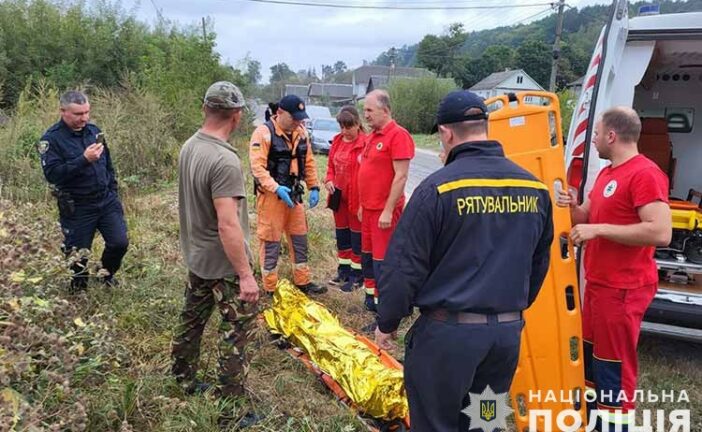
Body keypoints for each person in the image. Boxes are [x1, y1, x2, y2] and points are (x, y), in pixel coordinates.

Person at [374, 90, 554, 432]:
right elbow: (538, 264)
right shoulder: (534, 188)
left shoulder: (437, 189)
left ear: (446, 133)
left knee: (435, 423)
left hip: (448, 341)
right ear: (485, 127)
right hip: (504, 341)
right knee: (484, 424)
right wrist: (509, 312)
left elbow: (403, 268)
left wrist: (388, 322)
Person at [556, 106, 671, 431]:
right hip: (599, 287)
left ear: (611, 135)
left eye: (595, 134)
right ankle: (595, 424)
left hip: (624, 290)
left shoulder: (644, 173)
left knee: (613, 367)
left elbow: (661, 232)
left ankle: (614, 426)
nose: (592, 140)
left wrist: (600, 230)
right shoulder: (607, 174)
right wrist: (572, 206)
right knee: (593, 365)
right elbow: (584, 218)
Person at [171, 82, 260, 420]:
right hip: (224, 263)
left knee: (191, 319)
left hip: (197, 255)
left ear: (204, 108)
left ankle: (181, 376)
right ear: (236, 116)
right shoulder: (223, 161)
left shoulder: (189, 146)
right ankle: (231, 408)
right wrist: (246, 275)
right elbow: (227, 224)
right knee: (236, 333)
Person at [39, 90, 129, 291]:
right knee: (78, 254)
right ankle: (78, 289)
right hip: (77, 205)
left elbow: (108, 165)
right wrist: (83, 160)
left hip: (106, 200)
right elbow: (53, 174)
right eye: (78, 114)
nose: (84, 118)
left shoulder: (94, 131)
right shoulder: (51, 139)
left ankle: (106, 275)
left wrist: (113, 191)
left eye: (87, 112)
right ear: (63, 112)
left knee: (119, 243)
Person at [249, 95, 326, 294]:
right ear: (280, 113)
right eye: (295, 118)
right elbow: (257, 168)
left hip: (294, 195)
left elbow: (308, 162)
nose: (299, 122)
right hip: (271, 198)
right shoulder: (263, 133)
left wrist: (314, 187)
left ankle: (303, 282)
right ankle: (270, 288)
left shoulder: (301, 134)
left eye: (301, 119)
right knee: (271, 241)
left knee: (300, 239)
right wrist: (275, 187)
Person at [358, 90, 414, 313]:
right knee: (368, 259)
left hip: (384, 213)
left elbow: (401, 176)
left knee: (384, 263)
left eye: (370, 110)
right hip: (369, 211)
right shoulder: (372, 136)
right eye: (364, 111)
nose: (366, 115)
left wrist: (388, 210)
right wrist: (363, 205)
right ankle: (372, 301)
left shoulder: (398, 135)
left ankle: (387, 312)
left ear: (386, 110)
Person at [325, 106, 366, 292]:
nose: (344, 131)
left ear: (357, 124)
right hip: (338, 197)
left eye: (348, 127)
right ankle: (344, 270)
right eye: (341, 127)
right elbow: (330, 167)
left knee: (356, 238)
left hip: (357, 198)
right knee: (342, 236)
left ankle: (357, 276)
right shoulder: (337, 141)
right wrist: (329, 180)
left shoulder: (366, 144)